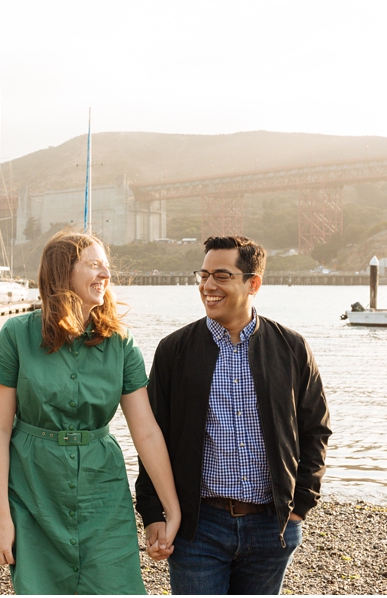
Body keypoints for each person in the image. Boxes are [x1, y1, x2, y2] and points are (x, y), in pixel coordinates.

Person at [0, 229, 181, 594]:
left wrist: (173, 509)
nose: (104, 275)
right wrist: (1, 517)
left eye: (106, 266)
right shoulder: (16, 335)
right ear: (63, 273)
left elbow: (147, 432)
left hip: (103, 495)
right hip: (33, 493)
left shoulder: (121, 343)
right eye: (93, 265)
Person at [135, 235, 332, 595]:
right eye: (204, 274)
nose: (208, 286)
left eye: (222, 276)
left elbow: (315, 430)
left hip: (272, 527)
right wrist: (151, 514)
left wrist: (300, 504)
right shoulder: (174, 350)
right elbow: (151, 436)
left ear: (252, 283)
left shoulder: (291, 347)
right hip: (199, 527)